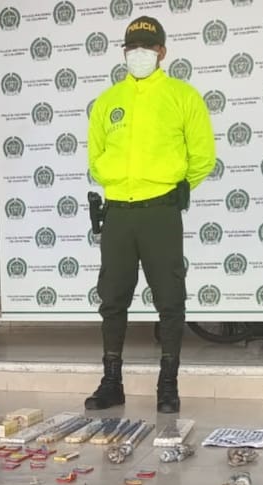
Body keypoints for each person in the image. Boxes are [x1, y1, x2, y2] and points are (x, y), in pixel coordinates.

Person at [85, 16, 215, 414]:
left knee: (170, 299)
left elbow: (203, 156)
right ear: (124, 52)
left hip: (160, 211)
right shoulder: (108, 101)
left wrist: (170, 187)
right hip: (118, 213)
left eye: (147, 47)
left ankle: (168, 384)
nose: (139, 54)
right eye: (132, 47)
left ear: (162, 51)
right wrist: (118, 179)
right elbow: (96, 158)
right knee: (112, 299)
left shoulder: (182, 96)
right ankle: (111, 383)